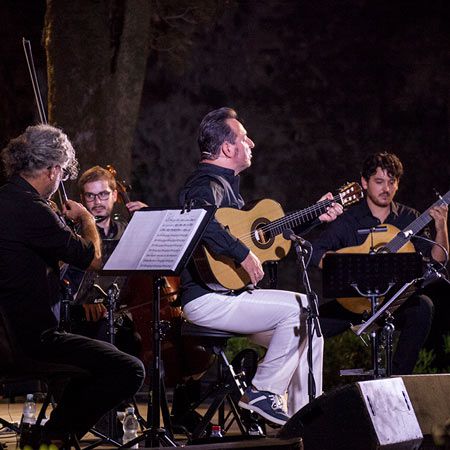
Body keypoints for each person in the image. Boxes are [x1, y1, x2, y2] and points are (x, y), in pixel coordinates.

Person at [178, 107, 343, 426]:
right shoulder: (204, 184)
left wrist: (314, 217)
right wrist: (242, 254)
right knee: (302, 307)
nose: (251, 142)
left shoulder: (229, 190)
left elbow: (269, 239)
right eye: (243, 137)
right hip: (207, 298)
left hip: (230, 297)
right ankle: (263, 392)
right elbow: (201, 220)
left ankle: (306, 417)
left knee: (312, 330)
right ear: (227, 148)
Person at [0, 124, 145, 446]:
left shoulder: (7, 199)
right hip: (33, 339)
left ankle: (51, 434)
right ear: (53, 170)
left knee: (95, 361)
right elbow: (92, 258)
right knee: (128, 369)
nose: (61, 179)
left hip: (7, 337)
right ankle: (53, 437)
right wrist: (86, 220)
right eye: (63, 172)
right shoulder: (34, 210)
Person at [311, 151, 449, 374]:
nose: (386, 188)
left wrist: (442, 227)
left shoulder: (409, 217)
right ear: (364, 183)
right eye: (379, 181)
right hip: (354, 302)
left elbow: (437, 261)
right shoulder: (349, 219)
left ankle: (397, 378)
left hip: (392, 302)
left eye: (391, 182)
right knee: (309, 326)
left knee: (423, 306)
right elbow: (314, 253)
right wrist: (348, 267)